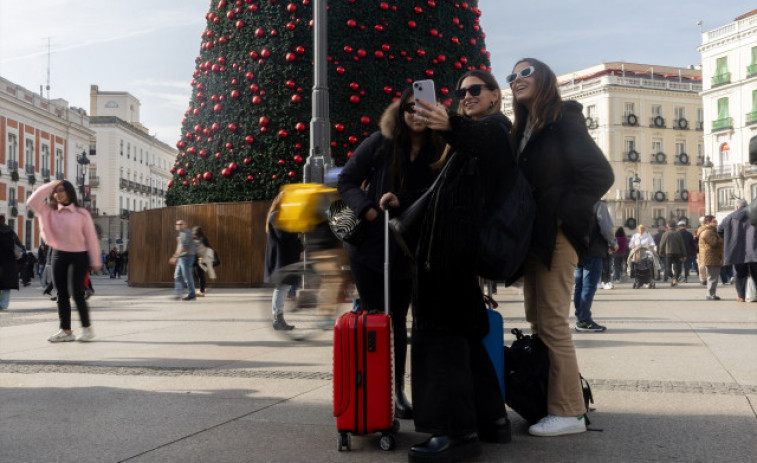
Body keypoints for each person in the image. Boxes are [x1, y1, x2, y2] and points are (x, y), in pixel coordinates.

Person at [409, 69, 514, 460]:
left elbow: (482, 142)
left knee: (442, 342)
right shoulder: (471, 138)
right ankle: (491, 421)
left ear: (494, 96)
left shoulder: (495, 131)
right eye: (461, 92)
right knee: (468, 337)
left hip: (450, 256)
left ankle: (455, 433)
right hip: (453, 255)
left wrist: (448, 123)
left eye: (475, 90)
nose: (466, 95)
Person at [508, 58, 613, 437]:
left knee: (553, 323)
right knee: (538, 322)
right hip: (536, 239)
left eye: (525, 73)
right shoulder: (526, 127)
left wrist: (559, 216)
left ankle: (569, 412)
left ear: (544, 79)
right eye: (512, 76)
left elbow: (599, 173)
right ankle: (548, 402)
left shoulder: (563, 117)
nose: (516, 79)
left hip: (557, 236)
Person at [337, 87, 444, 421]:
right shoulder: (381, 141)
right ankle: (373, 388)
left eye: (422, 108)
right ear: (401, 113)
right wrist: (368, 210)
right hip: (369, 246)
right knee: (374, 317)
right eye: (409, 109)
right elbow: (347, 180)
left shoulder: (438, 148)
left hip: (408, 248)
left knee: (398, 318)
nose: (416, 114)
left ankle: (396, 390)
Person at [27, 180, 102, 342]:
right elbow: (32, 201)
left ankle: (87, 328)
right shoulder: (49, 211)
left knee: (77, 293)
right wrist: (53, 183)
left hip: (79, 255)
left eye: (62, 190)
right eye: (56, 191)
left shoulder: (81, 213)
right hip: (58, 254)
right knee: (61, 294)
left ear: (70, 192)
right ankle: (66, 330)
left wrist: (96, 260)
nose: (58, 194)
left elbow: (91, 238)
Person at [574, 201, 616, 332]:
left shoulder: (576, 202)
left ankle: (580, 318)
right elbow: (606, 228)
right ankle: (584, 321)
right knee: (588, 287)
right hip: (594, 251)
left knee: (579, 286)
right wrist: (613, 243)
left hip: (578, 252)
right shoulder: (598, 204)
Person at [263, 192, 300, 331]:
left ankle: (279, 318)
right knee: (281, 288)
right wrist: (296, 229)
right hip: (280, 259)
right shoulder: (276, 215)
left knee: (283, 288)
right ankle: (277, 319)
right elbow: (282, 235)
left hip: (284, 258)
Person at [718, 199, 757, 301]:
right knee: (756, 273)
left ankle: (741, 296)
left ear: (736, 207)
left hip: (736, 250)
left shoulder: (729, 217)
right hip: (754, 250)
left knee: (740, 274)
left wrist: (728, 239)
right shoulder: (754, 215)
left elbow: (720, 230)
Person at [169, 220, 196, 301]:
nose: (179, 225)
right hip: (182, 258)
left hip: (187, 258)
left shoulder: (186, 233)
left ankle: (192, 295)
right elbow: (180, 247)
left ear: (185, 225)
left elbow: (184, 247)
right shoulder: (181, 233)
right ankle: (178, 294)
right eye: (177, 224)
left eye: (181, 224)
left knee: (187, 277)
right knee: (178, 276)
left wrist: (174, 257)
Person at [0, 215, 22, 310]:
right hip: (9, 261)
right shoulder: (11, 231)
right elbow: (18, 244)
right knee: (6, 284)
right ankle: (4, 304)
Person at [699, 215, 724, 300]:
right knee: (712, 277)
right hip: (710, 257)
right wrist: (721, 239)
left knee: (713, 277)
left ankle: (711, 293)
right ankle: (710, 294)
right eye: (714, 222)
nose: (716, 224)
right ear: (708, 222)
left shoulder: (711, 230)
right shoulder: (707, 232)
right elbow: (713, 243)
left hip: (712, 256)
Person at [659, 220, 686, 286]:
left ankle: (673, 278)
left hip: (668, 252)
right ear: (675, 226)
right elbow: (682, 245)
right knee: (677, 268)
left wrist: (661, 252)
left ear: (668, 226)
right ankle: (675, 279)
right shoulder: (678, 233)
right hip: (677, 252)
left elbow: (662, 244)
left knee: (668, 268)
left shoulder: (665, 234)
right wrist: (684, 254)